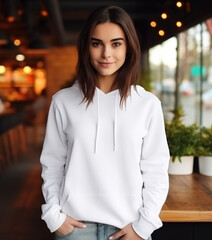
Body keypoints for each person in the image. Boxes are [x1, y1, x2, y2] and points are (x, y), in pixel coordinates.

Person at [40, 5, 169, 240]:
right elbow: (52, 163)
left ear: (129, 47)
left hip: (129, 229)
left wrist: (144, 226)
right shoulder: (63, 102)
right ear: (86, 47)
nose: (106, 54)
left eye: (116, 44)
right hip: (74, 230)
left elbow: (156, 171)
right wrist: (53, 215)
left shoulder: (148, 104)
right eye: (97, 43)